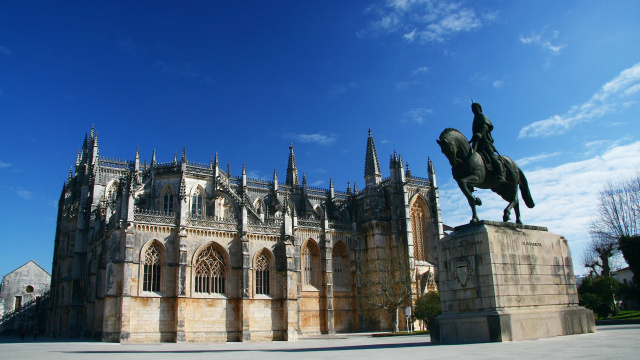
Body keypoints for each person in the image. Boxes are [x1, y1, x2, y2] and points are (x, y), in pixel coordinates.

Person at [469, 102, 505, 184]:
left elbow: (485, 126)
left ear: (479, 108)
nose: (474, 110)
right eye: (472, 108)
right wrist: (471, 140)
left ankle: (501, 176)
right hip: (477, 143)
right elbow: (475, 133)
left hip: (485, 141)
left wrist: (480, 134)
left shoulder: (482, 116)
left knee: (492, 157)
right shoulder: (475, 120)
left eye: (475, 108)